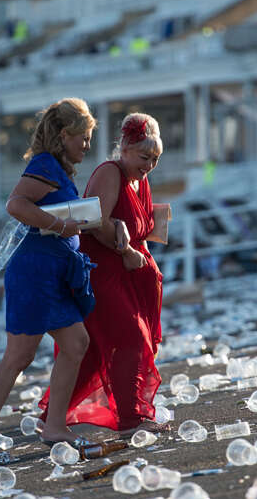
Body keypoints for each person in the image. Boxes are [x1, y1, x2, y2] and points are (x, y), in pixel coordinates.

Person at [0, 97, 96, 464]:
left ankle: (55, 426)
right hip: (35, 273)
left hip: (52, 273)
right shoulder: (44, 165)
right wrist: (59, 225)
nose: (86, 146)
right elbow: (16, 205)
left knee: (76, 343)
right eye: (83, 138)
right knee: (19, 356)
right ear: (64, 135)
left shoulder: (56, 167)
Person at [39, 112, 166, 436]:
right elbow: (94, 222)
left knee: (93, 353)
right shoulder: (111, 173)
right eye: (144, 156)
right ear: (123, 148)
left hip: (128, 277)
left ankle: (52, 416)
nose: (149, 164)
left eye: (155, 158)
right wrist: (126, 250)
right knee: (131, 339)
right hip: (102, 273)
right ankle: (130, 417)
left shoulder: (142, 179)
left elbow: (137, 228)